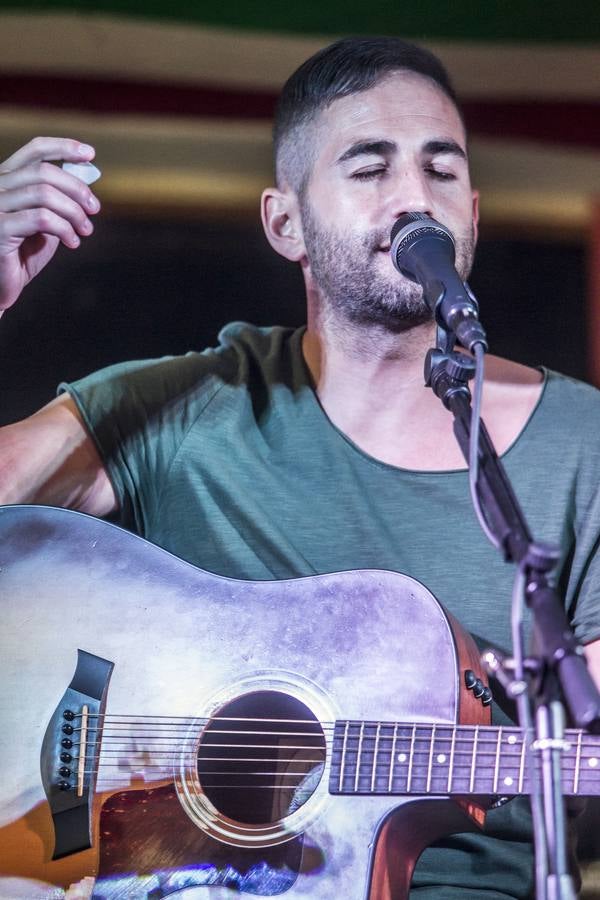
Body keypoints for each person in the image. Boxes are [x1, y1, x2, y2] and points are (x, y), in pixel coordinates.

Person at [0, 35, 599, 899]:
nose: (412, 197)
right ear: (287, 223)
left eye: (440, 169)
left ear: (471, 213)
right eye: (369, 168)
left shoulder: (580, 447)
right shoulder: (183, 409)